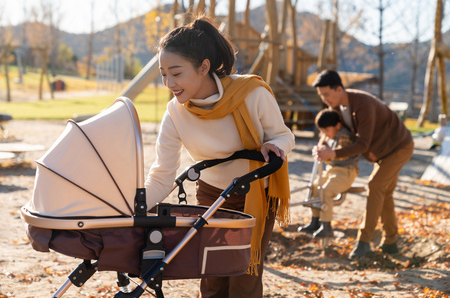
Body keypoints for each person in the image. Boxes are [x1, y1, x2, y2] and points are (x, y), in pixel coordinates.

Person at [144, 16, 295, 298]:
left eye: (176, 73)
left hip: (256, 194)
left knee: (243, 277)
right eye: (163, 74)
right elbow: (162, 174)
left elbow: (284, 135)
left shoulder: (251, 94)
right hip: (212, 194)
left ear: (203, 67)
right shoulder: (175, 114)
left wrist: (275, 146)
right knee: (211, 274)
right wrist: (135, 204)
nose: (168, 83)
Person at [311, 70, 414, 259]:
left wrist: (333, 153)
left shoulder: (363, 104)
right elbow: (328, 132)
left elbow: (362, 144)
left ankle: (364, 242)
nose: (325, 99)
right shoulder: (336, 109)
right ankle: (391, 242)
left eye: (327, 94)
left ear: (340, 89)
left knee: (375, 186)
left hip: (399, 147)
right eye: (321, 96)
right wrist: (320, 147)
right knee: (384, 194)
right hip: (382, 152)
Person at [297, 109, 359, 238]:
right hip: (332, 170)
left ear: (337, 125)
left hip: (346, 171)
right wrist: (321, 146)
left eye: (327, 130)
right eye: (322, 131)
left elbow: (343, 153)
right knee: (314, 187)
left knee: (326, 191)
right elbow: (324, 151)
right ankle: (315, 221)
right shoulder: (328, 136)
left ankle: (326, 226)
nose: (325, 133)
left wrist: (327, 153)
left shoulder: (344, 135)